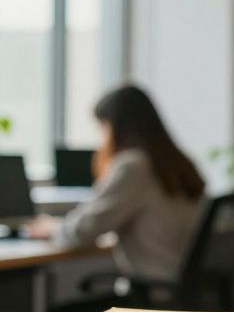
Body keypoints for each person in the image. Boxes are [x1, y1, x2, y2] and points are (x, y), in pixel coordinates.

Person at [27, 85, 205, 281]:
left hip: (157, 284)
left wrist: (52, 227)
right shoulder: (177, 163)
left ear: (116, 127)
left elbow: (83, 231)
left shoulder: (133, 166)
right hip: (188, 283)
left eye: (103, 127)